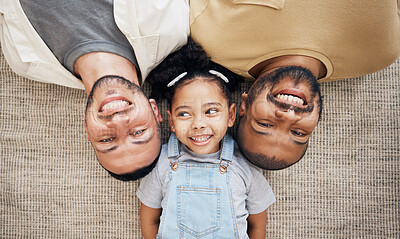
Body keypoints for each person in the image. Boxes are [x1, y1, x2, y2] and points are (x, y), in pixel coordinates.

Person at [189, 0, 400, 170]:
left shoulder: (214, 38)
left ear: (243, 106)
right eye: (299, 132)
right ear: (318, 118)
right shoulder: (378, 53)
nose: (289, 115)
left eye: (265, 124)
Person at [0, 0, 190, 180]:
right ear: (155, 110)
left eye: (107, 140)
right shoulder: (168, 27)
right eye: (138, 132)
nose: (117, 120)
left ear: (88, 130)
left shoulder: (23, 61)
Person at [136, 40, 276, 238]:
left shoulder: (245, 165)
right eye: (184, 114)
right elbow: (150, 219)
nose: (198, 124)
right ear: (171, 121)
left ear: (231, 116)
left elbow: (257, 225)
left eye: (211, 111)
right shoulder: (161, 163)